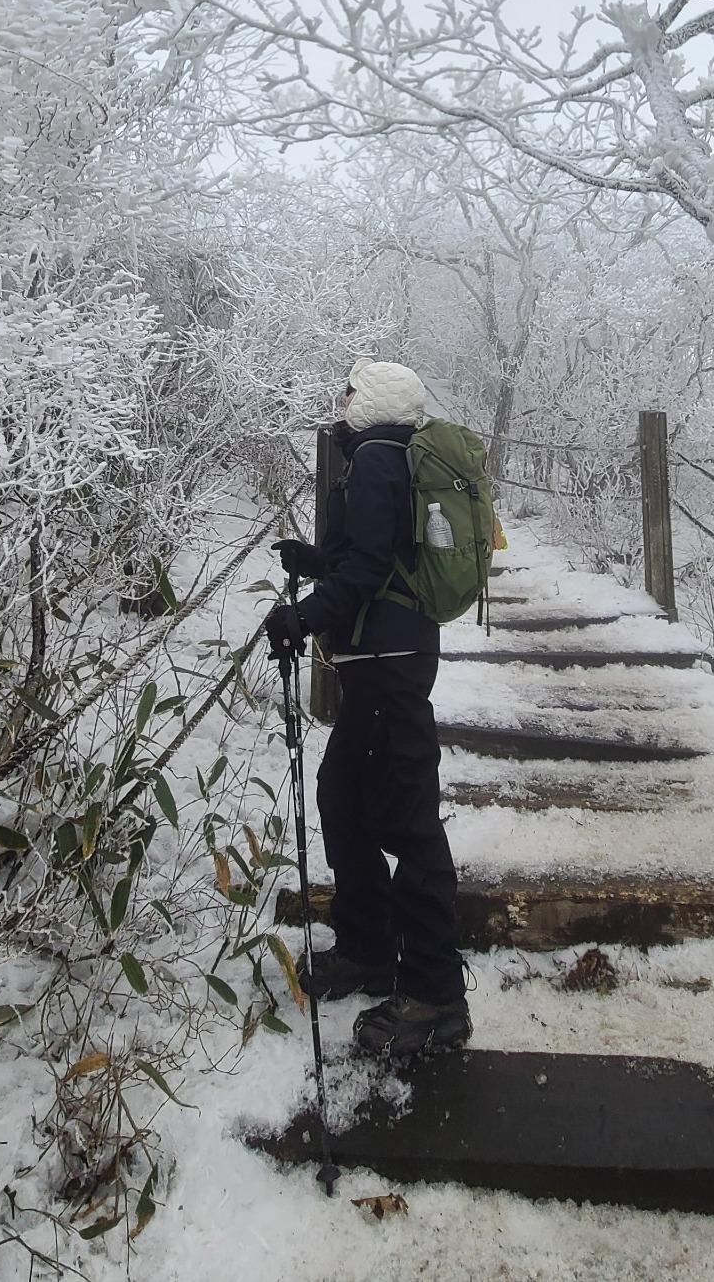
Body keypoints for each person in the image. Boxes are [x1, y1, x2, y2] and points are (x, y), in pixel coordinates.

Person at [263, 357, 471, 1060]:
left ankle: (436, 995)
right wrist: (317, 562)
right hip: (380, 659)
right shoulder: (379, 458)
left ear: (375, 400)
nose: (342, 398)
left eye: (350, 390)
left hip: (388, 663)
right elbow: (370, 552)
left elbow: (373, 566)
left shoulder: (380, 457)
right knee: (344, 798)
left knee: (408, 820)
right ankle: (369, 945)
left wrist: (306, 616)